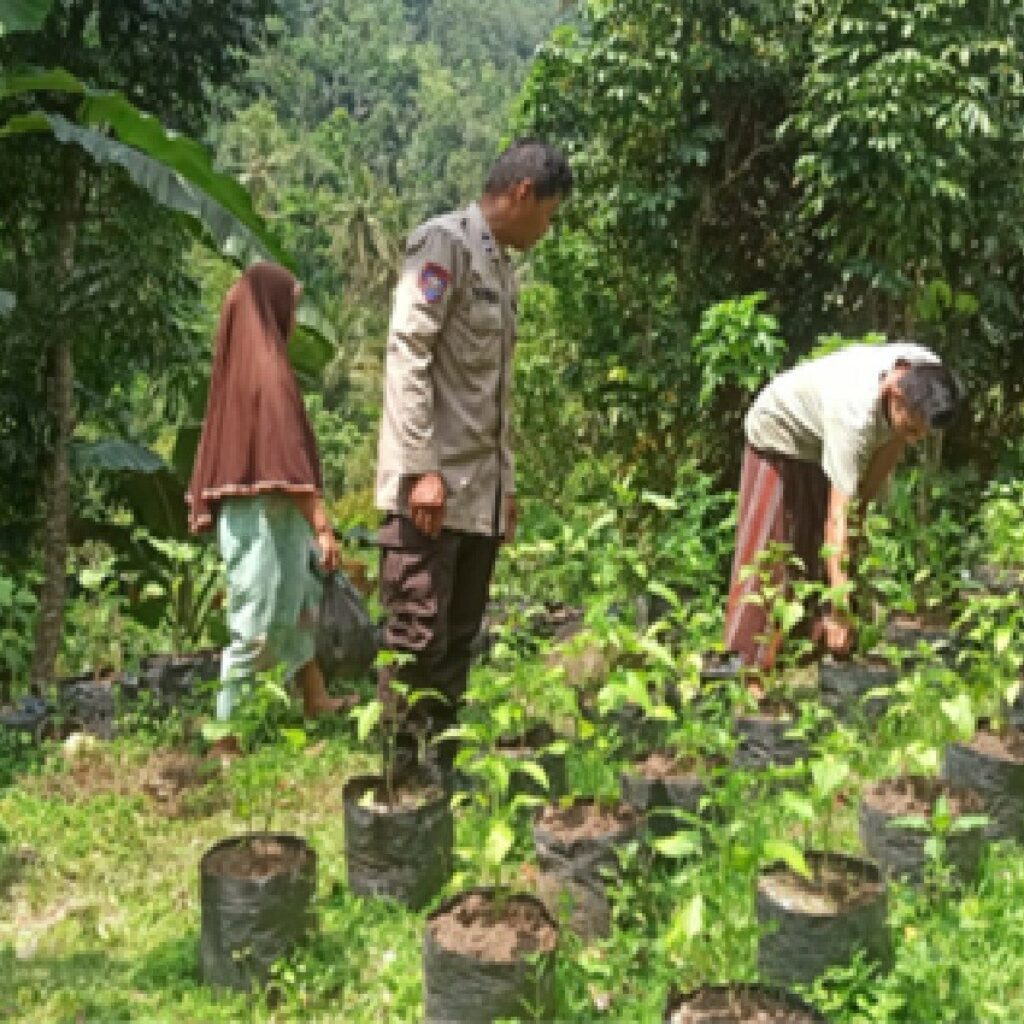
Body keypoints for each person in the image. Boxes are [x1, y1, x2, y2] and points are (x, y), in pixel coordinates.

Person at [375, 139, 573, 766]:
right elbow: (408, 353)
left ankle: (441, 771)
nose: (548, 228)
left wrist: (504, 486)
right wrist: (420, 469)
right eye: (549, 213)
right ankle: (399, 783)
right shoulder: (445, 247)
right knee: (416, 636)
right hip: (432, 492)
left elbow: (493, 395)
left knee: (459, 639)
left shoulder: (501, 269)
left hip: (477, 496)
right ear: (522, 194)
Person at [724, 341, 961, 670]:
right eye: (910, 429)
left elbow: (889, 448)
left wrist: (860, 514)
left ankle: (808, 658)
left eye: (920, 434)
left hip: (820, 441)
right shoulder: (853, 413)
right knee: (771, 558)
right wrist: (840, 608)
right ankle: (746, 672)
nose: (912, 439)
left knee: (821, 552)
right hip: (777, 434)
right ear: (895, 394)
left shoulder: (926, 372)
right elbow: (837, 520)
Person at [187, 261, 349, 721]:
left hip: (267, 510)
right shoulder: (268, 375)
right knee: (254, 622)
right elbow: (285, 459)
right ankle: (228, 731)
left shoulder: (242, 371)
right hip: (259, 514)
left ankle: (315, 699)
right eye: (291, 308)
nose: (295, 320)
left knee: (297, 607)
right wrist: (321, 525)